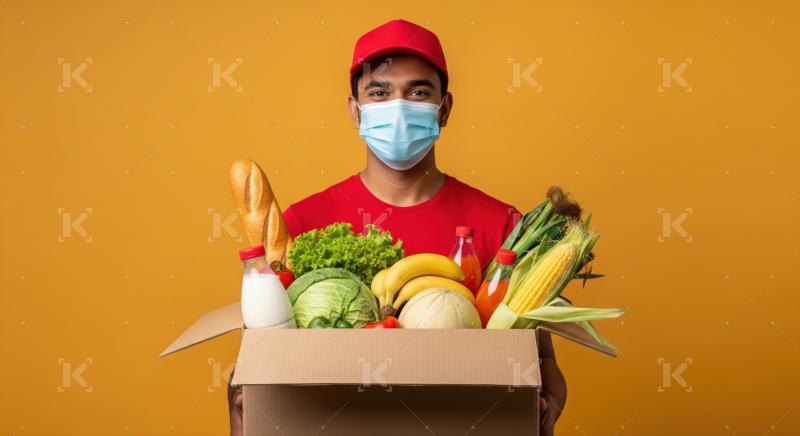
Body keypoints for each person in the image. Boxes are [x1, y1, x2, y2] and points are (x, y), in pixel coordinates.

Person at [229, 19, 566, 435]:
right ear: (355, 111)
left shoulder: (502, 224)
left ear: (445, 109)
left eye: (419, 92)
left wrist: (546, 407)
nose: (399, 106)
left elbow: (543, 360)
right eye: (379, 92)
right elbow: (261, 355)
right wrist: (248, 407)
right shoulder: (300, 225)